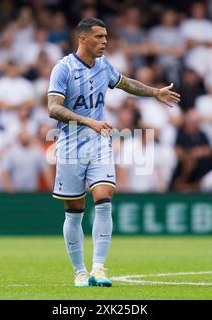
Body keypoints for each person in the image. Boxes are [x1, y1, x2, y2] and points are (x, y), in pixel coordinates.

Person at [47, 18, 180, 287]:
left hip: (98, 144)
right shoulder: (63, 68)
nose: (105, 41)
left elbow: (125, 83)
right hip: (71, 146)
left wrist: (154, 92)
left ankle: (99, 268)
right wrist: (88, 121)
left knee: (104, 197)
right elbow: (53, 108)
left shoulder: (103, 66)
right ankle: (80, 272)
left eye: (106, 36)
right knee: (74, 210)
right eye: (99, 36)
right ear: (83, 38)